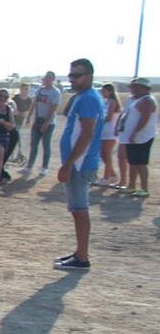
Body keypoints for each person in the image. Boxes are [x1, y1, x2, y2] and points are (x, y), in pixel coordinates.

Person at [52, 59, 105, 270]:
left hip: (80, 164)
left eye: (77, 75)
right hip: (79, 163)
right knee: (77, 210)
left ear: (89, 76)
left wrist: (69, 164)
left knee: (79, 210)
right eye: (71, 75)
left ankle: (82, 257)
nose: (72, 79)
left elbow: (86, 133)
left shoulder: (88, 99)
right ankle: (80, 253)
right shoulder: (84, 97)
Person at [117, 77, 155, 198]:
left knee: (141, 163)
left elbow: (145, 119)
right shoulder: (134, 99)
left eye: (135, 87)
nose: (132, 89)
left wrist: (135, 132)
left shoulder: (147, 101)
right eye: (132, 87)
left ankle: (144, 188)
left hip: (142, 137)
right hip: (132, 137)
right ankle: (131, 185)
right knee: (132, 162)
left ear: (144, 88)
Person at [25, 71, 62, 172]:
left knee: (46, 144)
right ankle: (29, 166)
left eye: (49, 78)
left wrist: (46, 122)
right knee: (33, 144)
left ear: (52, 80)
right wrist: (30, 116)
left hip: (49, 123)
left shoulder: (55, 92)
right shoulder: (40, 90)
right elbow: (35, 103)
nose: (46, 80)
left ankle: (44, 167)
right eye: (46, 78)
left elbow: (53, 108)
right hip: (38, 120)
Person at [98, 83, 122, 187]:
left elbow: (109, 117)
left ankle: (106, 177)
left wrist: (97, 122)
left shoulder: (112, 102)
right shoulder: (106, 102)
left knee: (107, 154)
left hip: (110, 131)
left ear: (110, 91)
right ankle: (112, 175)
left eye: (104, 91)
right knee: (103, 154)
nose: (102, 93)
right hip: (104, 131)